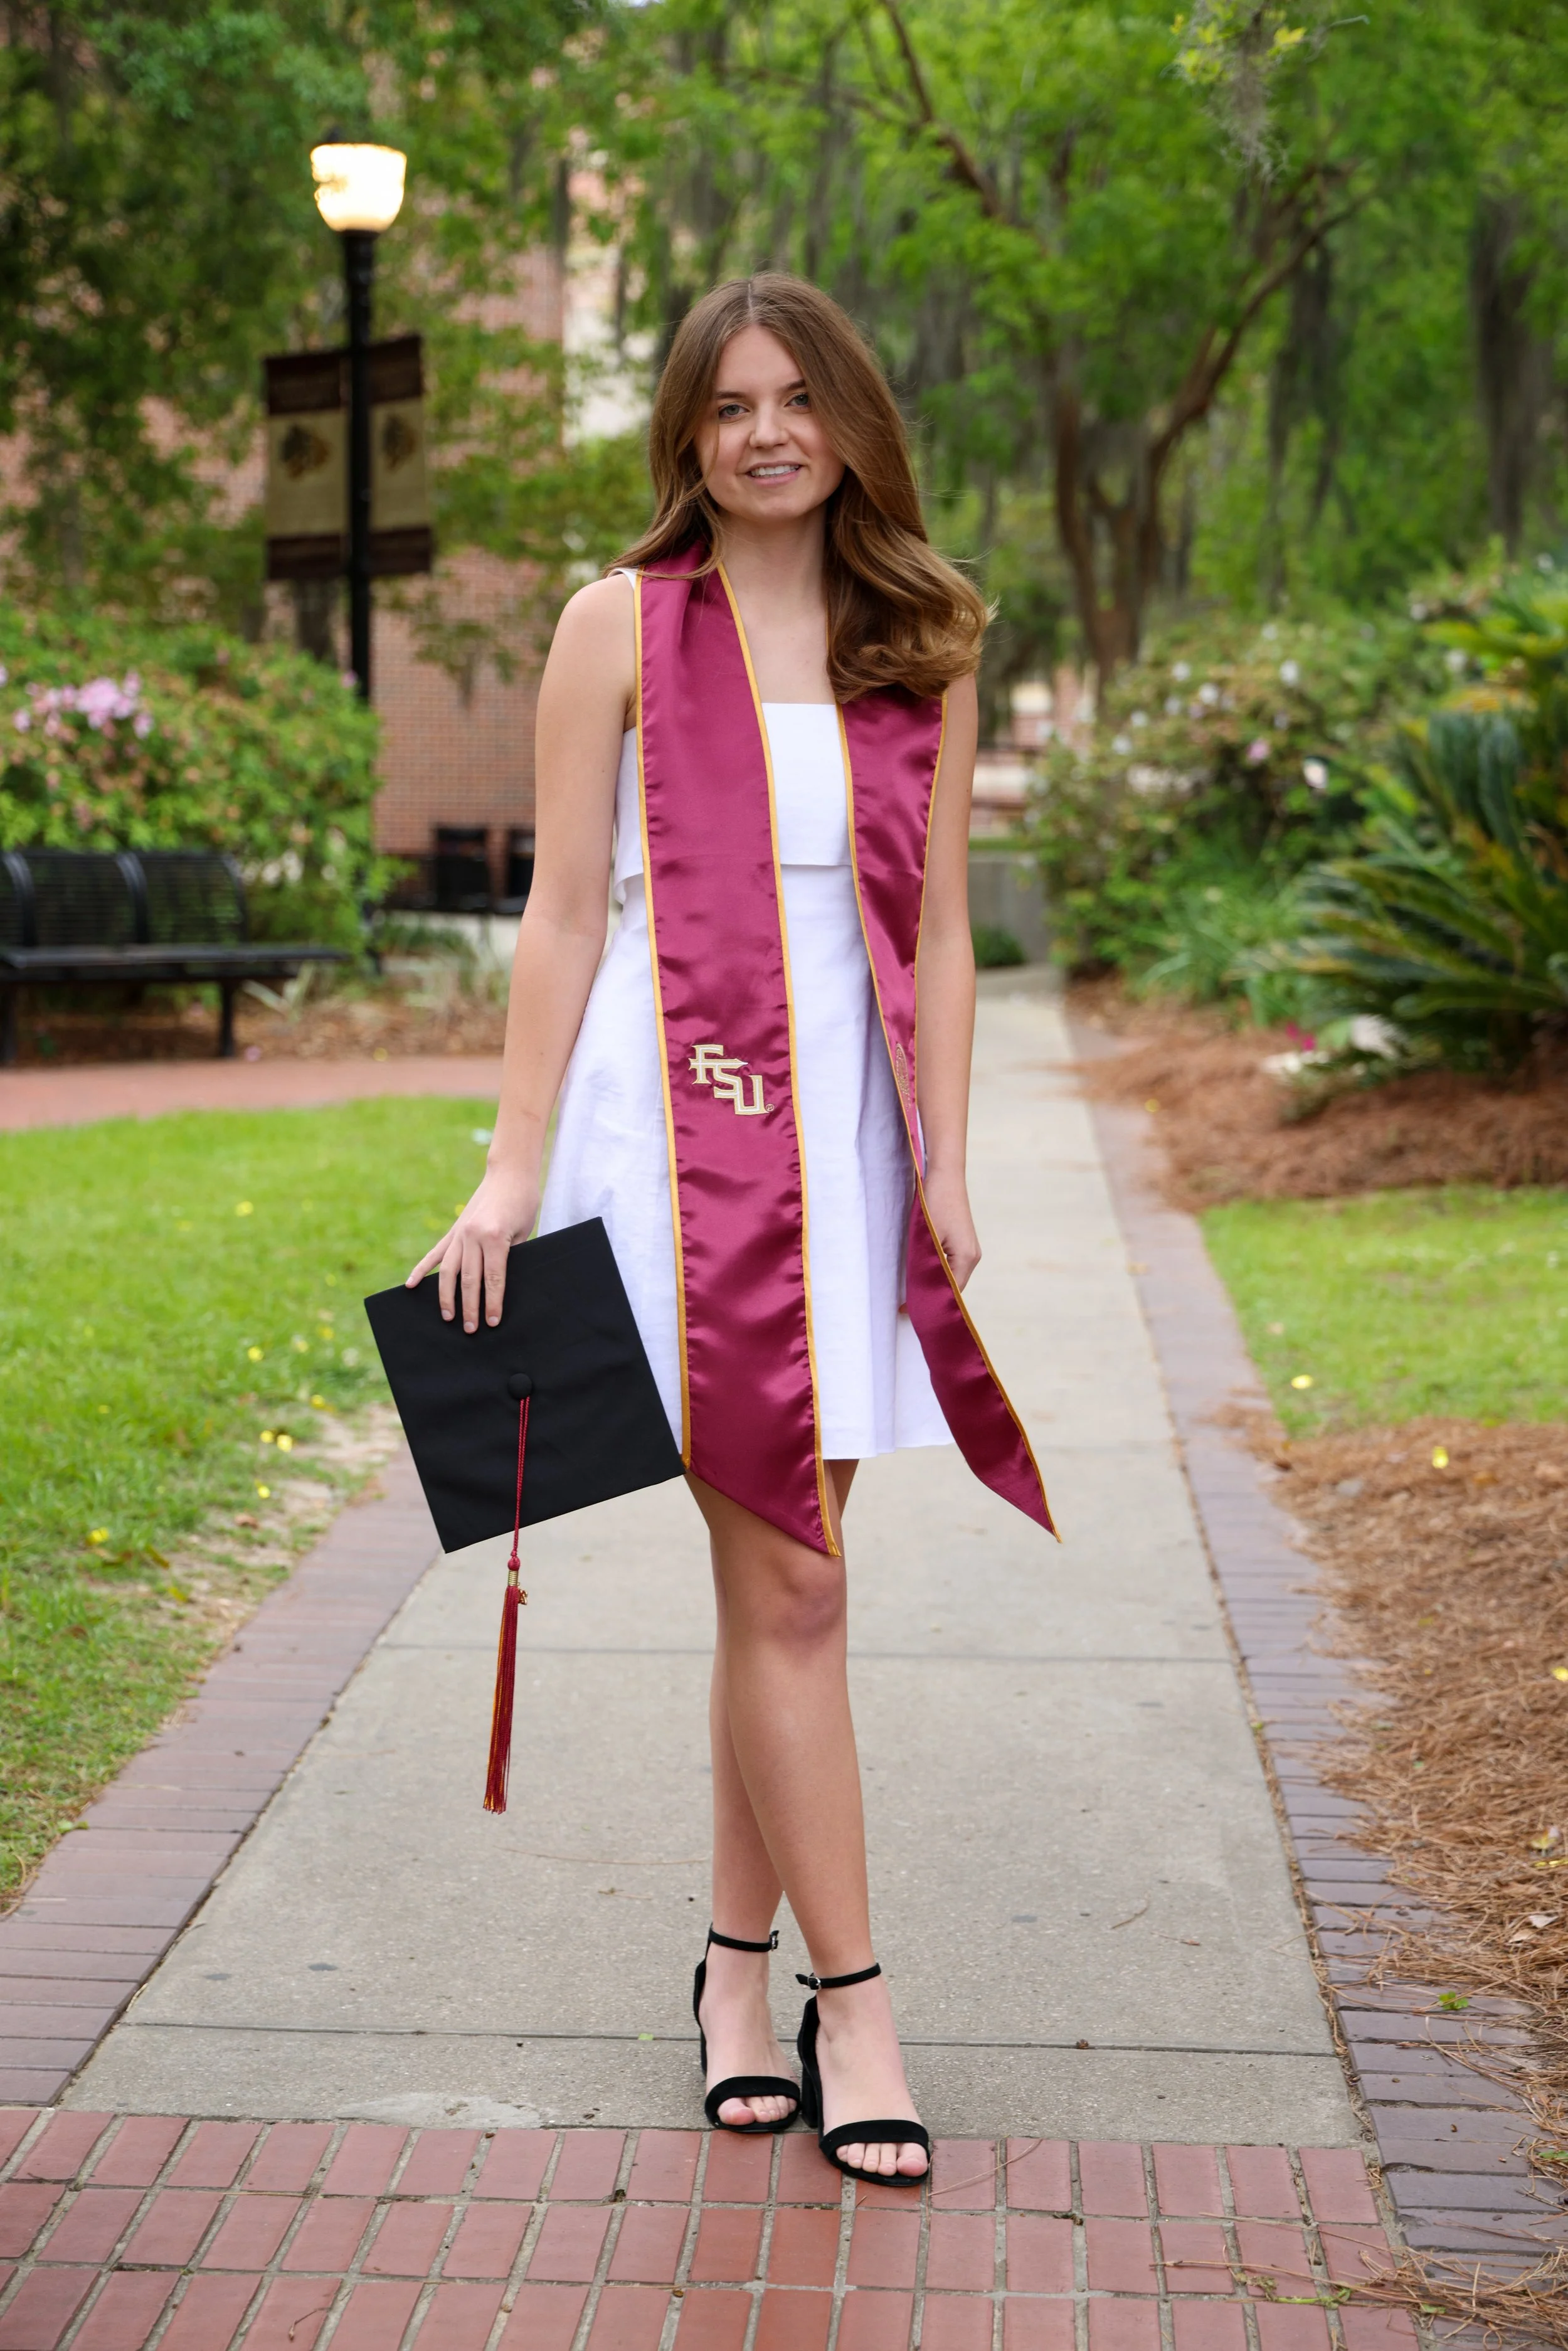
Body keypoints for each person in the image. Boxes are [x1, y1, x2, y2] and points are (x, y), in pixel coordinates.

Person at [406, 273, 1049, 2184]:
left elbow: (934, 930)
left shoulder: (915, 633)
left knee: (789, 1575)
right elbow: (563, 915)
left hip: (842, 1150)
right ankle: (857, 2002)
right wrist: (512, 1170)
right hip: (678, 1152)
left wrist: (944, 1155)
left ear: (850, 414)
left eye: (796, 397)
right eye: (727, 404)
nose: (764, 430)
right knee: (800, 1584)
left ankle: (727, 1974)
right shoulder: (619, 622)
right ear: (686, 433)